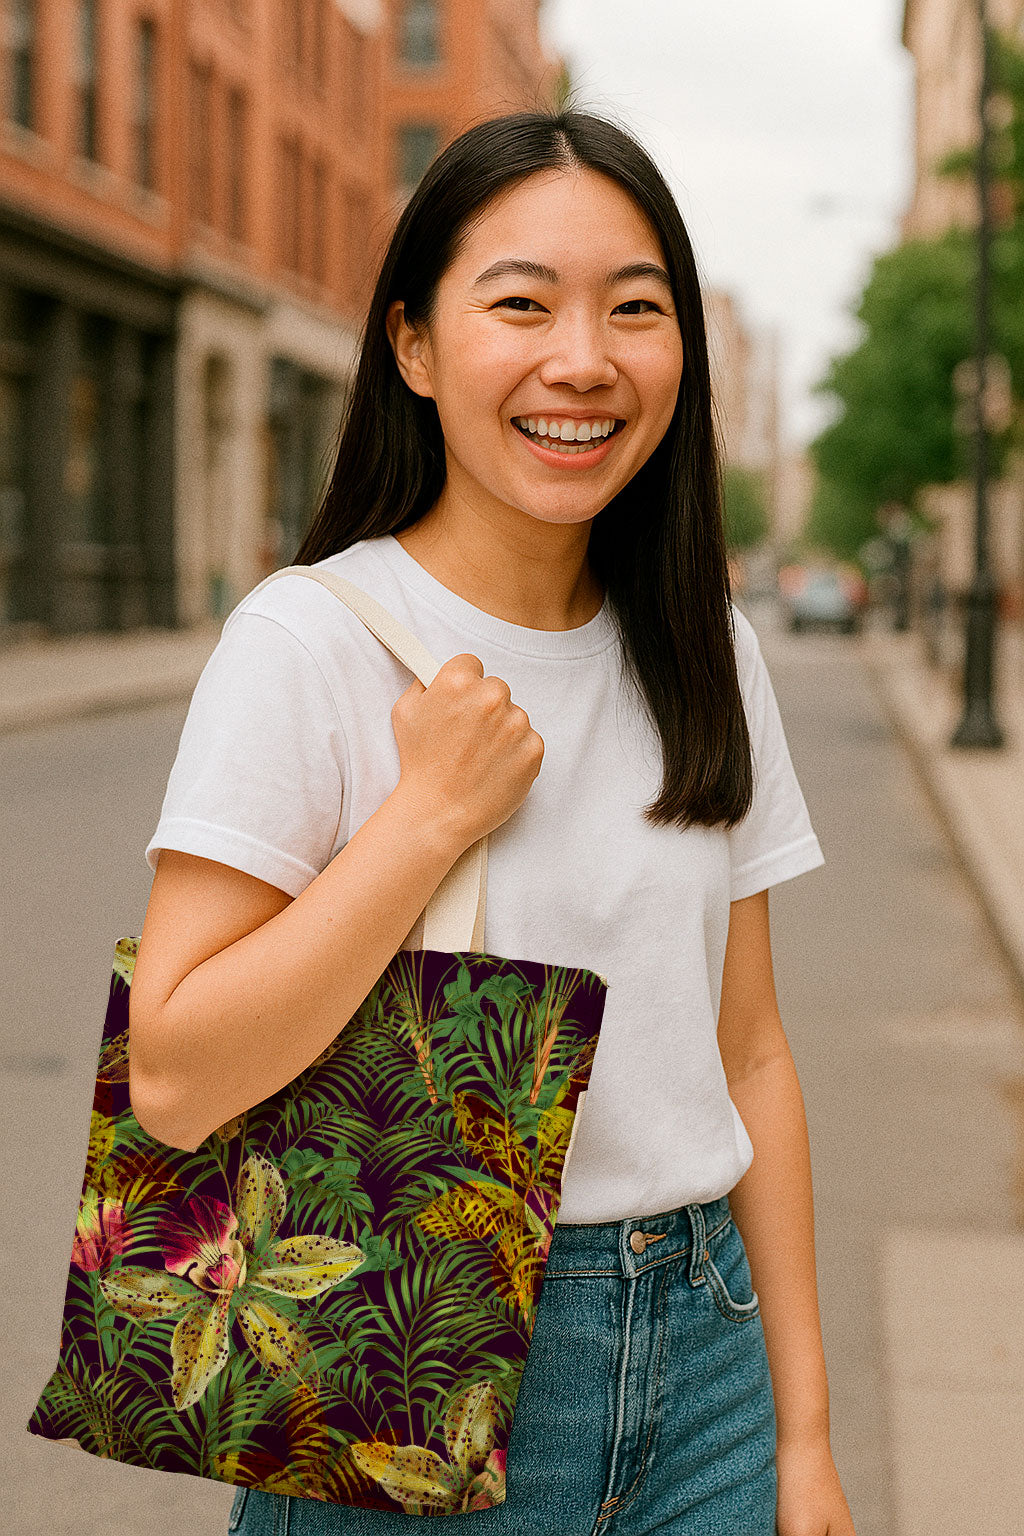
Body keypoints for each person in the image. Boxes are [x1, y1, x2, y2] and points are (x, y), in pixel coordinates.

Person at [129, 109, 854, 1536]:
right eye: (520, 303)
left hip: (704, 1354)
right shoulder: (312, 640)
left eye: (634, 311)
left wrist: (805, 1433)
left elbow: (751, 1049)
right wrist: (423, 821)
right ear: (413, 346)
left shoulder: (705, 643)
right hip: (420, 1332)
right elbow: (175, 1073)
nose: (581, 360)